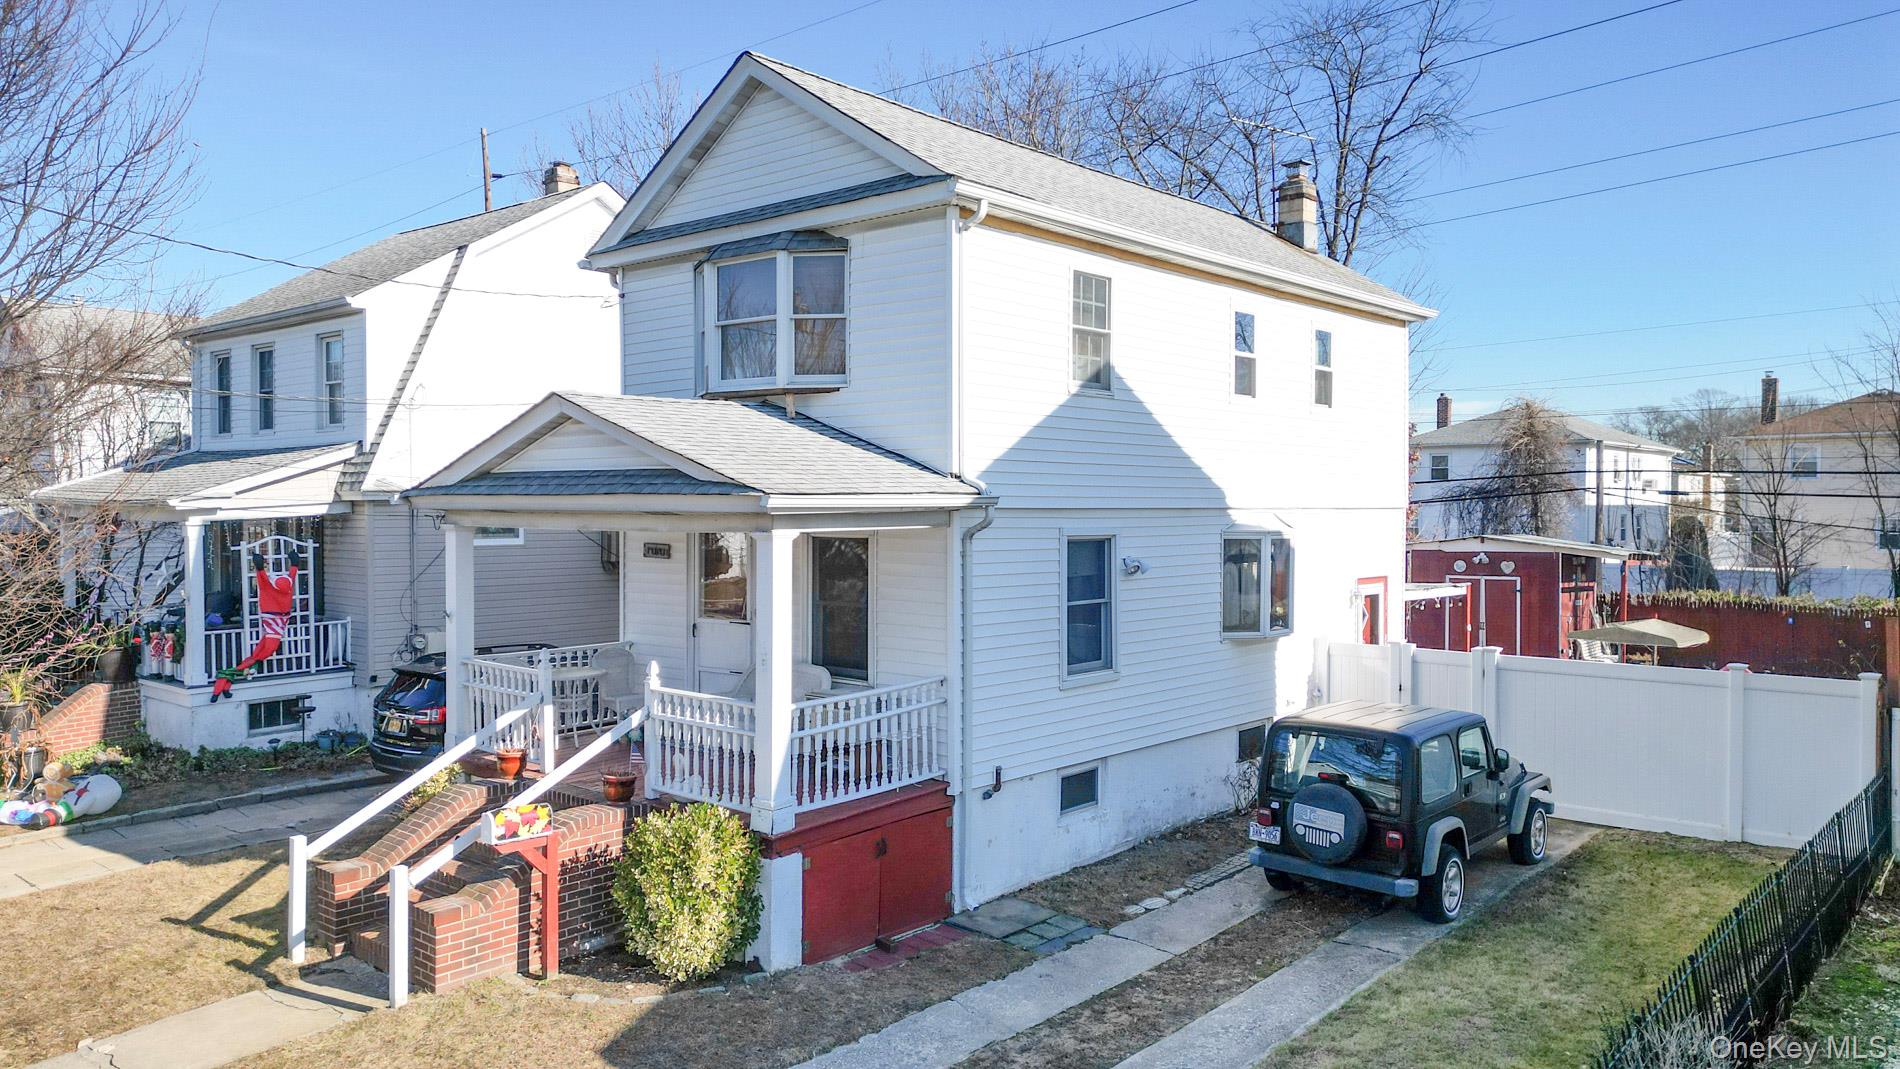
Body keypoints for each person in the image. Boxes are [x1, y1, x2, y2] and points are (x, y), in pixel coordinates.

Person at [209, 548, 301, 702]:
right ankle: (224, 677)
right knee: (263, 654)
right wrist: (261, 567)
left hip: (279, 622)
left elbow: (289, 575)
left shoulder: (286, 585)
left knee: (257, 656)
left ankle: (224, 685)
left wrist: (294, 564)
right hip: (273, 623)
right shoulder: (271, 587)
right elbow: (264, 578)